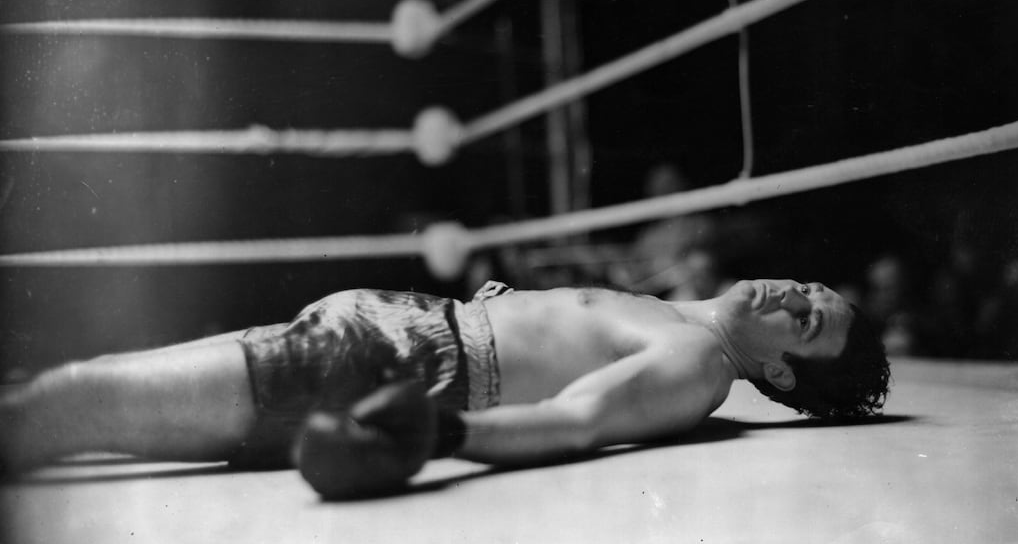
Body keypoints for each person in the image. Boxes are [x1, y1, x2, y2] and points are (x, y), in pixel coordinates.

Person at [0, 278, 890, 498]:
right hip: (394, 328)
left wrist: (435, 432)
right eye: (809, 287)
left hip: (396, 363)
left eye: (805, 322)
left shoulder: (699, 362)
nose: (789, 294)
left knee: (71, 400)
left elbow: (576, 419)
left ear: (778, 372)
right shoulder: (679, 311)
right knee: (58, 399)